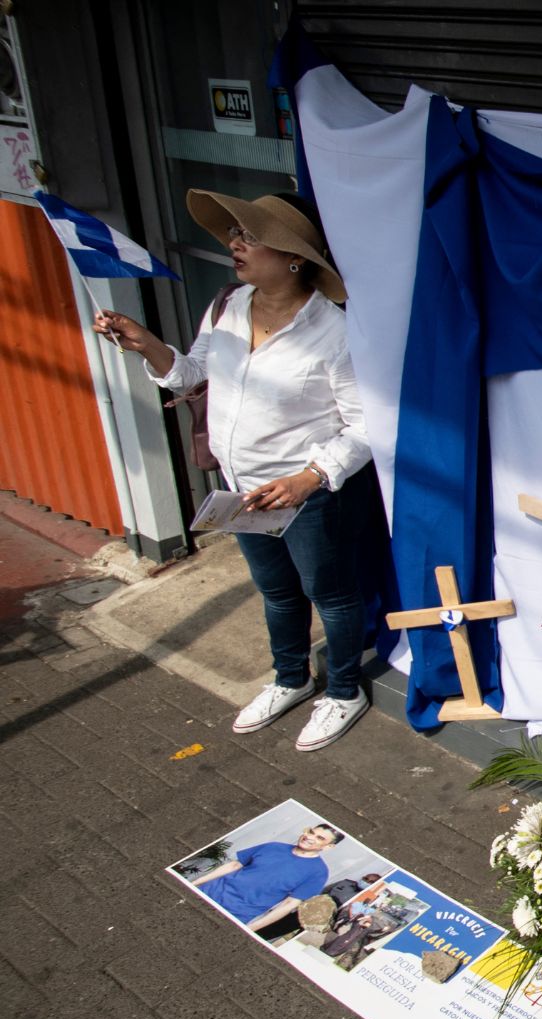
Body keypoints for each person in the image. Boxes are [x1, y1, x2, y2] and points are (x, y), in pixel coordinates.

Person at [93, 190, 372, 752]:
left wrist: (308, 479)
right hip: (241, 489)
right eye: (235, 233)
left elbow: (367, 425)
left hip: (305, 493)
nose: (234, 243)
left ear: (294, 258)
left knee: (331, 595)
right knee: (276, 592)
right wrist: (146, 344)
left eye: (250, 236)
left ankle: (344, 692)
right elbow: (191, 372)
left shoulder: (334, 331)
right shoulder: (227, 305)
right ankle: (290, 679)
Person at [189, 823, 341, 931]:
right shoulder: (273, 846)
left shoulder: (318, 872)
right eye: (311, 832)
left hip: (236, 913)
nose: (310, 837)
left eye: (320, 838)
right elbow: (234, 865)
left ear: (328, 847)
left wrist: (250, 928)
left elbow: (289, 904)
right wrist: (195, 883)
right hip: (208, 892)